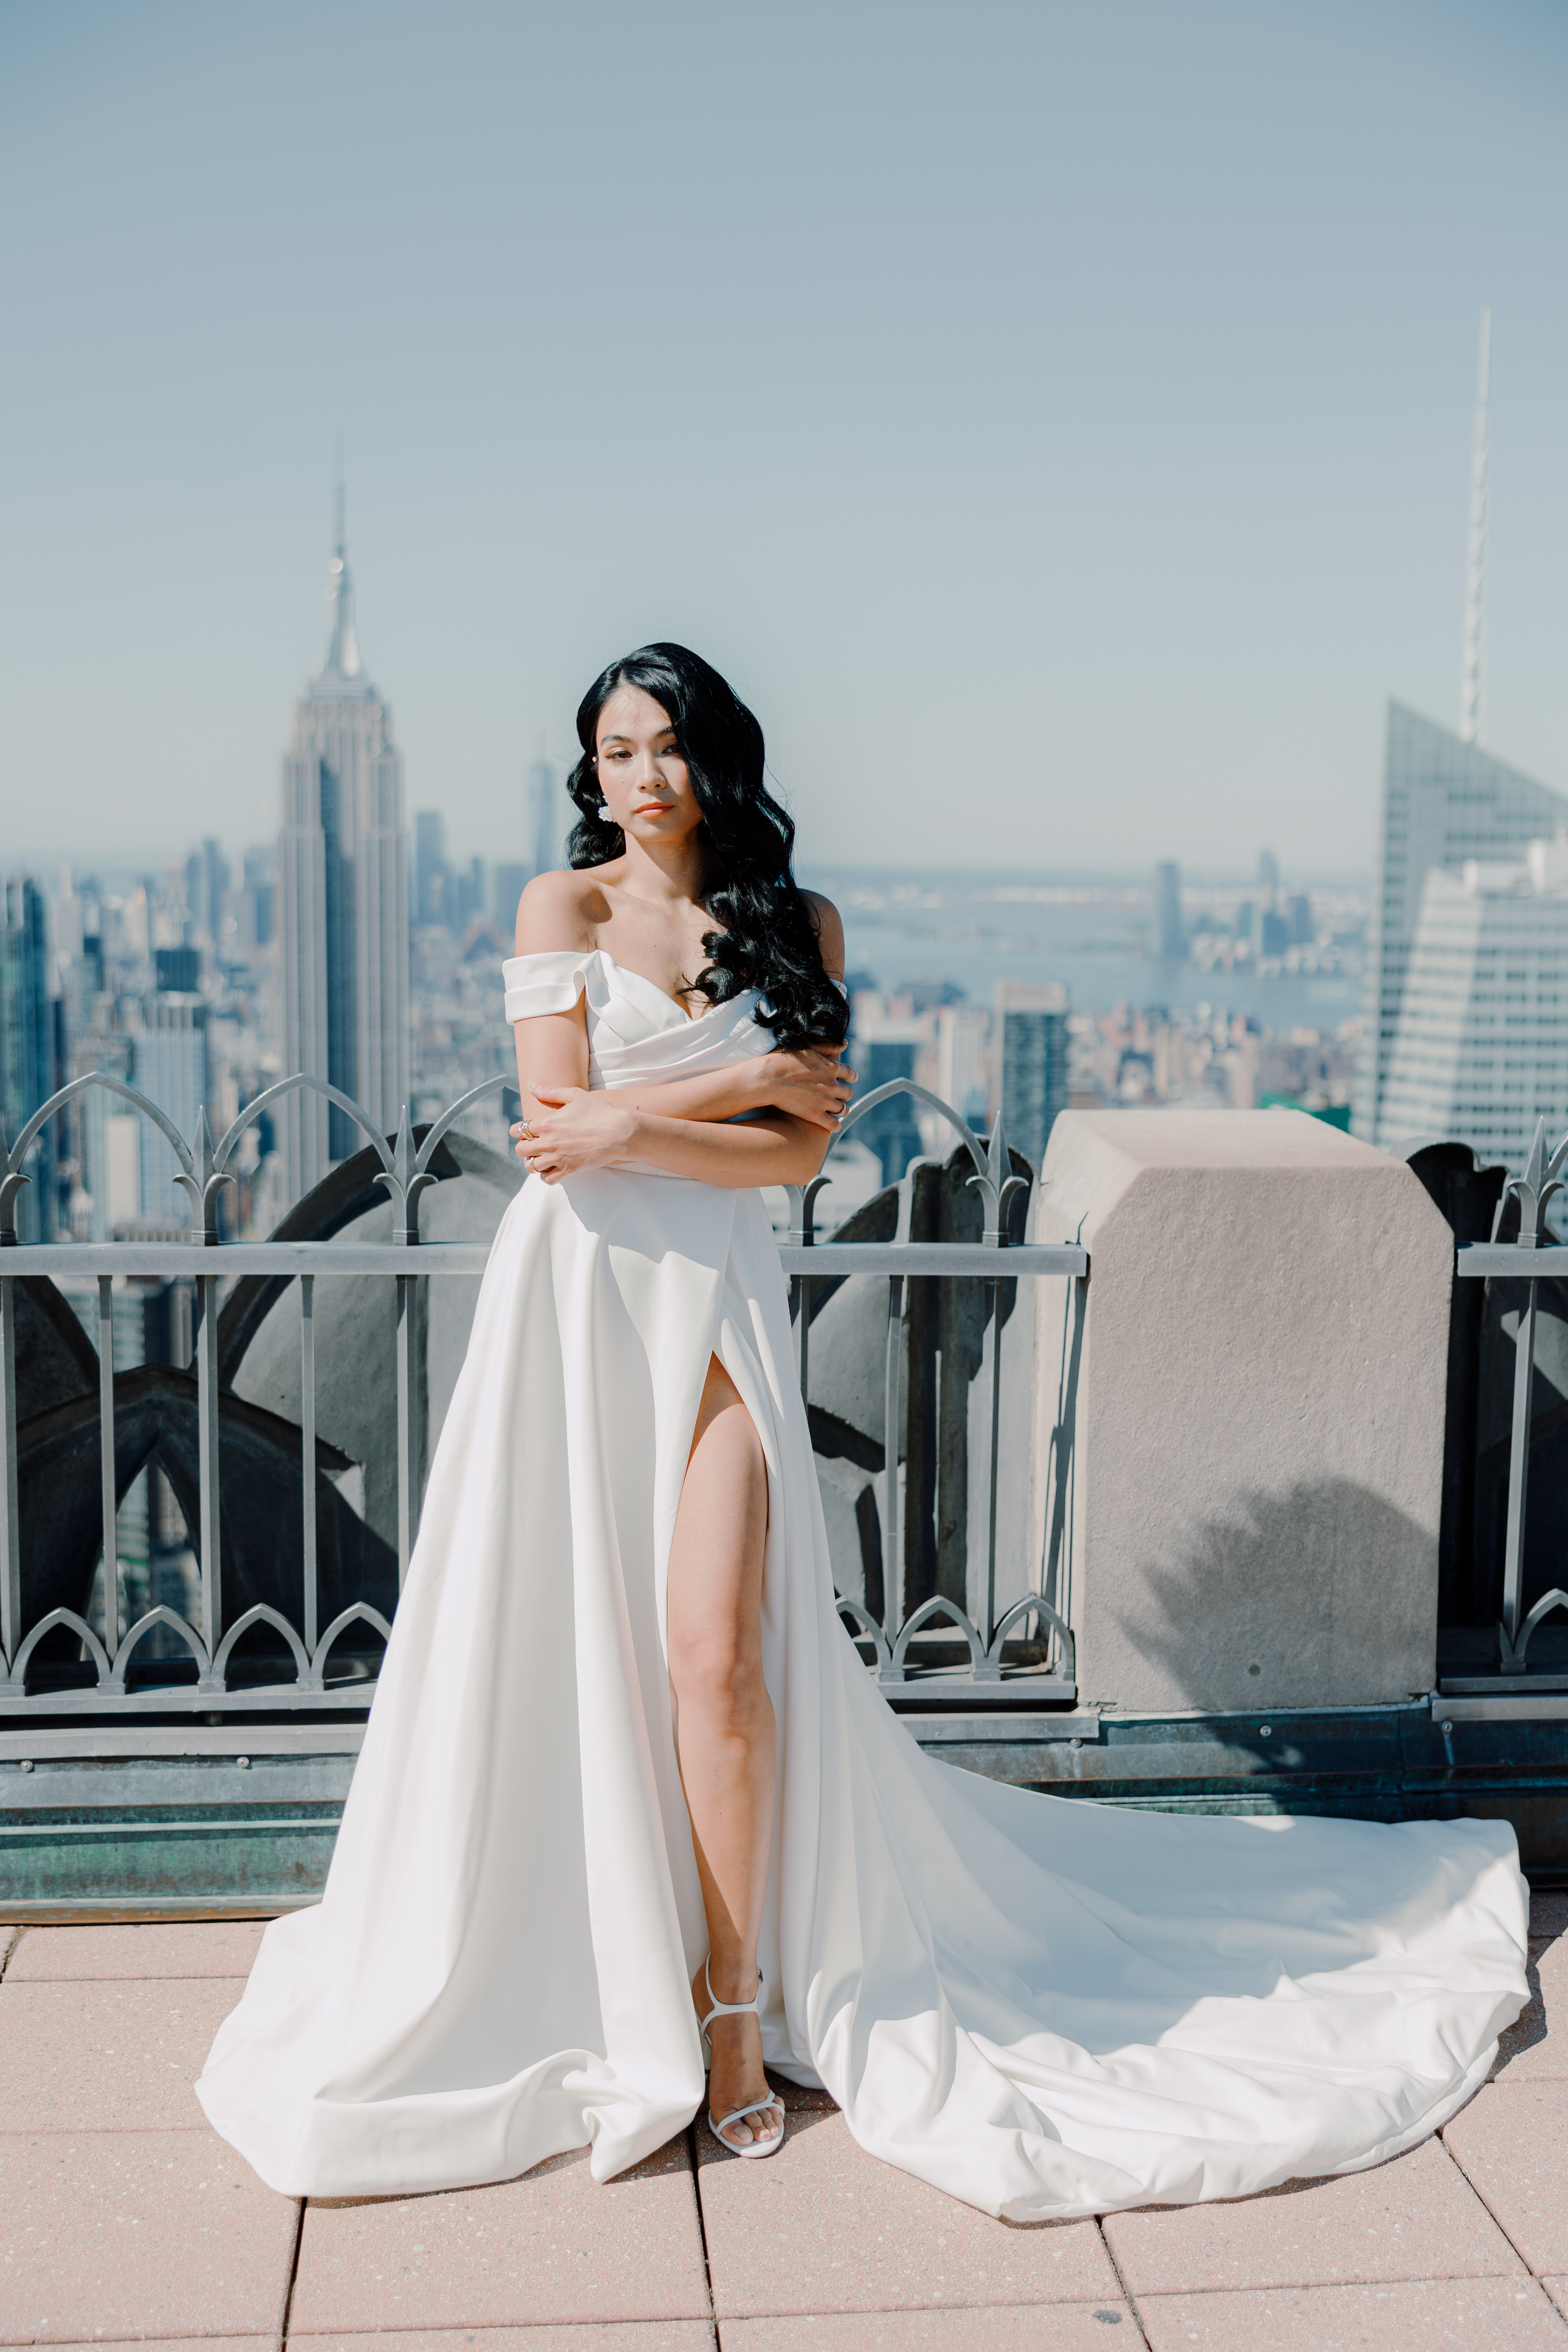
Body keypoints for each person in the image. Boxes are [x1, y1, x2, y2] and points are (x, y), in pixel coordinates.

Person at [199, 643, 1528, 2219]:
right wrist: (724, 1089)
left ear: (718, 759)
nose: (640, 778)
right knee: (581, 1645)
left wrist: (669, 1115)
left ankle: (733, 2009)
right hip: (580, 1312)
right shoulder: (561, 913)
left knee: (717, 1654)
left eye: (667, 746)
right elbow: (562, 1138)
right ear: (591, 773)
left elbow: (795, 1160)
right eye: (614, 751)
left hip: (725, 1308)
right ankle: (602, 1960)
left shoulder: (801, 925)